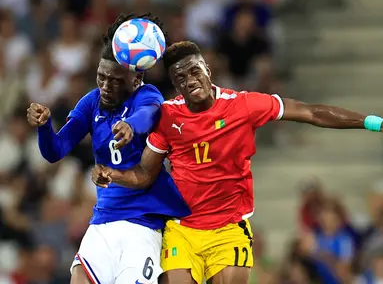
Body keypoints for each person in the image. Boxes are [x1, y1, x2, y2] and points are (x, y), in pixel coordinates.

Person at [91, 41, 383, 284]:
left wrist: (371, 122)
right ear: (175, 86)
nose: (190, 80)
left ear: (208, 68)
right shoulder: (167, 116)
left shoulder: (244, 106)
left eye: (194, 71)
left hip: (229, 229)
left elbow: (310, 112)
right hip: (181, 227)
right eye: (180, 78)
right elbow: (145, 174)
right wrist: (113, 174)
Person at [26, 14, 191, 284]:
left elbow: (149, 114)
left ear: (136, 78)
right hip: (104, 218)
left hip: (143, 222)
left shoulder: (147, 95)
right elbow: (55, 151)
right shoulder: (90, 103)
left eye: (115, 80)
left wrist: (131, 126)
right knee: (78, 278)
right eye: (101, 77)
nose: (105, 86)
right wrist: (44, 128)